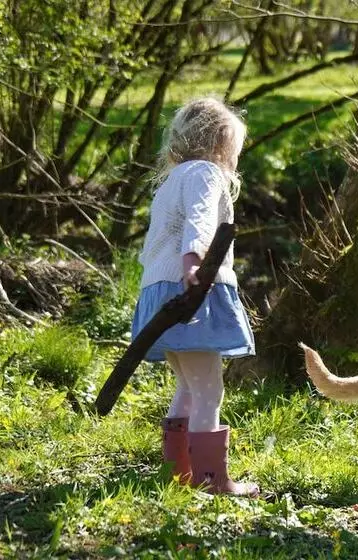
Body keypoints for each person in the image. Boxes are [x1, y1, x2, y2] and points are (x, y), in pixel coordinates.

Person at [131, 97, 258, 497]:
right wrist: (194, 264)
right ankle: (213, 481)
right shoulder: (205, 172)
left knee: (188, 385)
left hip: (159, 295)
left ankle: (179, 476)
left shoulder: (172, 181)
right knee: (208, 391)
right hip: (191, 291)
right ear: (221, 142)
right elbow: (201, 220)